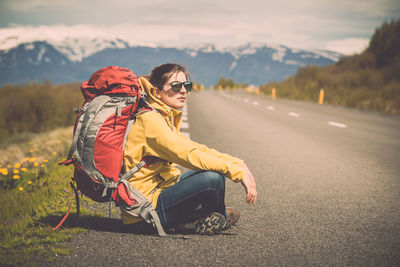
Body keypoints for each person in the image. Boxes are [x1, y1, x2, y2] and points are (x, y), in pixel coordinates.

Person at [122, 63, 257, 235]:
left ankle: (202, 217)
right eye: (176, 86)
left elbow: (194, 147)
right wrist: (236, 173)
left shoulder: (159, 115)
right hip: (145, 213)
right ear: (156, 92)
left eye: (187, 85)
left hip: (158, 196)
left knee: (215, 174)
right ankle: (211, 219)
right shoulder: (151, 121)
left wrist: (237, 163)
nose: (184, 91)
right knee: (212, 179)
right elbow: (187, 155)